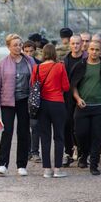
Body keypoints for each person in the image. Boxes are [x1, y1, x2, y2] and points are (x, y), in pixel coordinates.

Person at [0, 34, 35, 176]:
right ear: (8, 46)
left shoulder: (29, 61)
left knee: (23, 132)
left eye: (19, 44)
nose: (18, 47)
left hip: (24, 101)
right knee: (7, 131)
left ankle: (21, 165)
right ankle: (2, 164)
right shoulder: (3, 63)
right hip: (7, 102)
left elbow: (37, 80)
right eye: (14, 45)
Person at [70, 41, 101, 175]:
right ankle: (83, 155)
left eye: (97, 50)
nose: (94, 52)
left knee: (97, 136)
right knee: (80, 133)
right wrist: (78, 99)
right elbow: (72, 85)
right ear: (88, 50)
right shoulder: (80, 65)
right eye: (92, 49)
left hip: (100, 106)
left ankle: (94, 164)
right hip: (82, 106)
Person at [30, 44, 70, 178]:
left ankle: (47, 169)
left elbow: (33, 86)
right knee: (59, 136)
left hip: (42, 105)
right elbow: (66, 87)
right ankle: (58, 169)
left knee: (45, 137)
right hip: (57, 104)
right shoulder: (60, 67)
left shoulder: (36, 68)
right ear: (54, 53)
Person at [62, 34, 86, 166]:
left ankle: (82, 152)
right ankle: (68, 152)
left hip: (84, 96)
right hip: (67, 98)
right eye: (73, 43)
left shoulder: (87, 59)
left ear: (82, 44)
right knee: (67, 124)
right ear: (69, 44)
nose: (75, 46)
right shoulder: (65, 60)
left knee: (81, 126)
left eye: (78, 43)